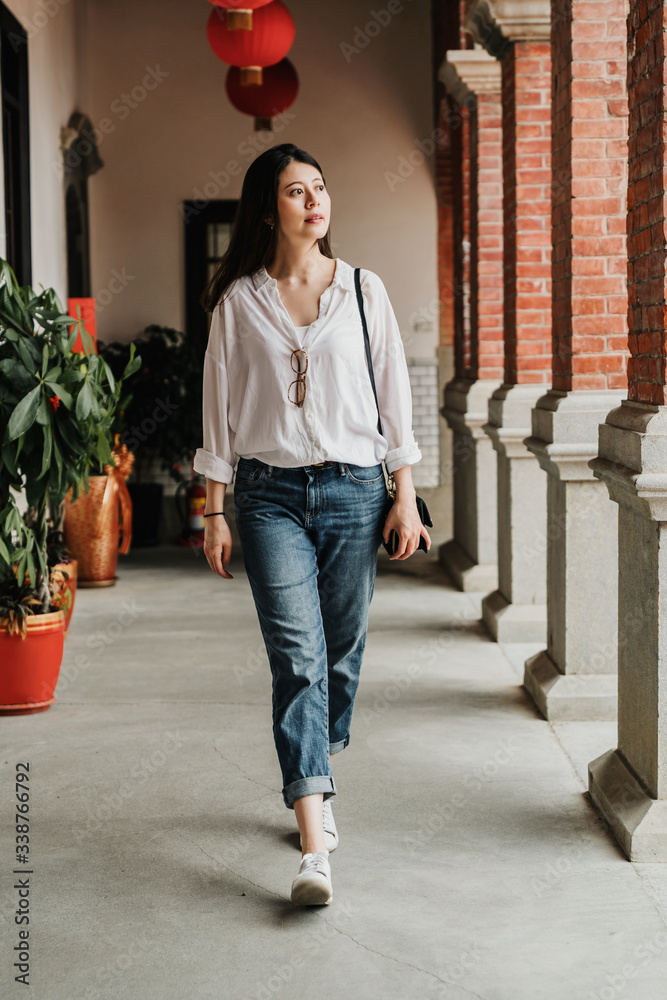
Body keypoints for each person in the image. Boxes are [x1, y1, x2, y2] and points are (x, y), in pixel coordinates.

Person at [193, 142, 429, 906]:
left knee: (341, 651)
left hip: (357, 491)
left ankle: (314, 773)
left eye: (320, 189)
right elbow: (219, 414)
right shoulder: (237, 304)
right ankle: (311, 846)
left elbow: (393, 397)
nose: (314, 202)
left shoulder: (363, 290)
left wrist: (403, 493)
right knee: (296, 654)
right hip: (267, 497)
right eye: (297, 192)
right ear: (269, 209)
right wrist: (215, 510)